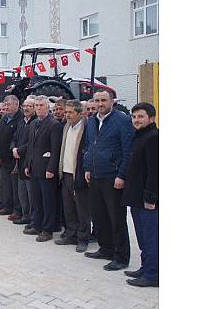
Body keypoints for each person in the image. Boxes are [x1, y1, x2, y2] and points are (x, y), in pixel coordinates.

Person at [83, 90, 134, 271]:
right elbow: (89, 146)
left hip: (113, 177)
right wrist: (87, 167)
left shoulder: (122, 121)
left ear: (112, 101)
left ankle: (121, 257)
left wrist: (122, 175)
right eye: (97, 100)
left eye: (104, 100)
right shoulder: (91, 121)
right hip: (95, 175)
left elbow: (128, 151)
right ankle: (106, 248)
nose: (100, 103)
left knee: (116, 218)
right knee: (100, 216)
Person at [122, 102, 159, 287]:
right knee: (143, 236)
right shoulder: (140, 136)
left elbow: (155, 170)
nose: (136, 120)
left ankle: (153, 275)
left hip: (147, 200)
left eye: (141, 116)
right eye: (134, 117)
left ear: (151, 118)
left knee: (152, 237)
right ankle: (146, 267)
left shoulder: (153, 138)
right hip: (136, 197)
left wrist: (151, 197)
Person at [23, 95, 63, 242]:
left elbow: (55, 149)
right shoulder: (34, 124)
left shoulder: (54, 125)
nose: (38, 108)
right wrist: (28, 165)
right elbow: (30, 147)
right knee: (36, 199)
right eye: (37, 105)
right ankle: (37, 224)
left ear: (48, 107)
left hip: (47, 170)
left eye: (41, 105)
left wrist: (51, 169)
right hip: (34, 168)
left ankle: (48, 229)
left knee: (48, 201)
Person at [55, 100, 90, 252]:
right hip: (66, 173)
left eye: (70, 112)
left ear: (79, 113)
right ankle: (71, 234)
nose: (67, 115)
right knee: (68, 207)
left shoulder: (86, 128)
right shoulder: (66, 127)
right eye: (66, 112)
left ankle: (83, 239)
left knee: (82, 209)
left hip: (79, 174)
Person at [0, 95, 24, 219]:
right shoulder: (4, 118)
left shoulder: (20, 119)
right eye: (5, 105)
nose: (6, 107)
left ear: (16, 105)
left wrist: (13, 152)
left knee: (15, 187)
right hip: (3, 158)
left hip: (14, 159)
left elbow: (16, 139)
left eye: (9, 105)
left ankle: (17, 210)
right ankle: (7, 206)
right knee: (4, 185)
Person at [12, 98, 37, 226]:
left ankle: (33, 219)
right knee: (22, 192)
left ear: (34, 108)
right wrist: (13, 148)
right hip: (19, 161)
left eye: (29, 106)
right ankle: (25, 215)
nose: (26, 108)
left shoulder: (35, 122)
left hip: (29, 162)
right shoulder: (22, 122)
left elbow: (32, 142)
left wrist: (19, 150)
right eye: (25, 106)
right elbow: (14, 137)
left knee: (31, 193)